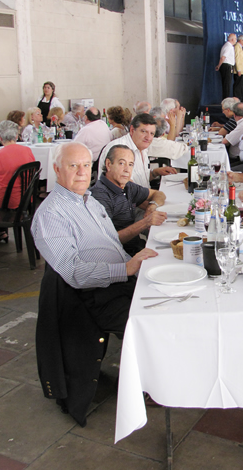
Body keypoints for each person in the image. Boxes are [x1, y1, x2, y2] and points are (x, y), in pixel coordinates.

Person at [31, 142, 157, 334]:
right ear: (57, 169)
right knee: (156, 325)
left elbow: (112, 243)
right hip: (96, 297)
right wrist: (125, 269)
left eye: (86, 165)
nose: (82, 172)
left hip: (122, 281)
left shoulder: (88, 200)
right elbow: (73, 272)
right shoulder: (51, 214)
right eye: (73, 165)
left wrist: (136, 267)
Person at [90, 145, 167, 254]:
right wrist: (145, 222)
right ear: (108, 164)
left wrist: (152, 206)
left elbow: (159, 194)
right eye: (122, 163)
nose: (127, 170)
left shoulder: (126, 185)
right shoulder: (100, 196)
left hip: (136, 247)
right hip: (120, 256)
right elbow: (107, 240)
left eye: (130, 164)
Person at [98, 114, 175, 188]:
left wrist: (156, 172)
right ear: (132, 130)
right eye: (144, 131)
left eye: (151, 133)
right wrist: (153, 195)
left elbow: (141, 180)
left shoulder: (142, 148)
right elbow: (122, 189)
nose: (148, 138)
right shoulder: (118, 149)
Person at [0, 120, 36, 213]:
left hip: (3, 200)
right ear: (16, 136)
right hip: (25, 199)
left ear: (0, 137)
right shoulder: (27, 150)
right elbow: (32, 174)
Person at [215, 33, 236, 99]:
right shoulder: (229, 46)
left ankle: (225, 100)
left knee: (226, 85)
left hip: (226, 66)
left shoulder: (227, 45)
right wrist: (219, 65)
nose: (236, 40)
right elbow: (223, 57)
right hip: (227, 66)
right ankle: (226, 101)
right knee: (227, 85)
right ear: (232, 39)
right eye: (235, 39)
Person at [233, 35, 243, 100]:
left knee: (241, 85)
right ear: (241, 40)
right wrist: (238, 69)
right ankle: (236, 99)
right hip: (239, 70)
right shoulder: (237, 47)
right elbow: (237, 58)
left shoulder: (241, 47)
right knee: (238, 85)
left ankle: (240, 98)